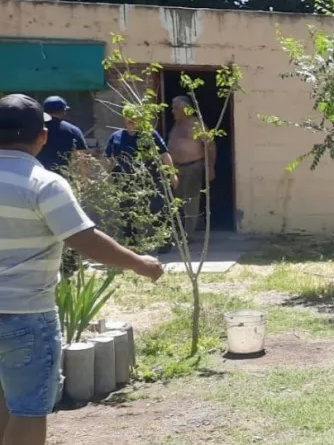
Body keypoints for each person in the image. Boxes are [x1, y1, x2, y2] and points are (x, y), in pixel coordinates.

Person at [0, 94, 163, 445]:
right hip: (25, 315)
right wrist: (140, 263)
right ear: (42, 137)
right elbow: (84, 239)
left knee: (5, 401)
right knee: (28, 409)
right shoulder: (43, 184)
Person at [105, 118, 179, 254]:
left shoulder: (149, 135)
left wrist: (172, 173)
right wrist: (108, 176)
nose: (132, 121)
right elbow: (109, 158)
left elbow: (164, 154)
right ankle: (132, 246)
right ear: (124, 120)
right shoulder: (116, 137)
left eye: (135, 118)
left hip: (150, 180)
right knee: (128, 213)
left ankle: (164, 242)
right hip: (125, 181)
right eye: (128, 119)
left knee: (158, 211)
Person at [167, 95, 215, 240]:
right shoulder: (177, 124)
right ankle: (178, 231)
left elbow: (210, 146)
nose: (172, 111)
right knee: (177, 200)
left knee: (191, 200)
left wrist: (210, 167)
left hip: (193, 165)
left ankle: (188, 234)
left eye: (176, 108)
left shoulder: (197, 124)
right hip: (176, 168)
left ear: (186, 109)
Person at [36, 96, 87, 173]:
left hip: (36, 175)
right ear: (64, 111)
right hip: (63, 176)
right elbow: (82, 158)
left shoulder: (34, 127)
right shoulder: (73, 130)